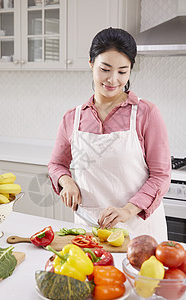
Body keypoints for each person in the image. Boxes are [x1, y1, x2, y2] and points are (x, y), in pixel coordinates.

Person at [48, 27, 171, 241]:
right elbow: (56, 165)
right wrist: (66, 182)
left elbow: (161, 175)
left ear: (131, 70)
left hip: (139, 232)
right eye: (105, 69)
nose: (113, 80)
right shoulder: (73, 118)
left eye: (122, 72)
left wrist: (127, 211)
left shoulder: (146, 114)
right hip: (89, 230)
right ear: (91, 64)